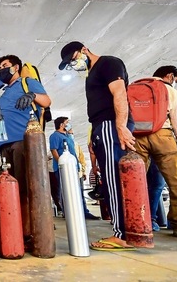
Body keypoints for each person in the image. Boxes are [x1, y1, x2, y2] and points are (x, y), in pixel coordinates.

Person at [59, 41, 135, 251]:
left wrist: (120, 126)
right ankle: (127, 230)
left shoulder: (108, 63)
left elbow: (119, 94)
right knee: (111, 179)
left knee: (113, 180)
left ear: (84, 50)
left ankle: (123, 235)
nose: (74, 64)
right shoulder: (93, 73)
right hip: (103, 127)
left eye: (73, 59)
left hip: (111, 125)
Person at [0, 54, 51, 240]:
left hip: (23, 141)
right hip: (4, 146)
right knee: (9, 187)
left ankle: (29, 231)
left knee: (24, 187)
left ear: (16, 67)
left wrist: (32, 95)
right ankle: (15, 228)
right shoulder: (2, 95)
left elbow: (46, 101)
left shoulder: (26, 82)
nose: (2, 70)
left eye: (5, 65)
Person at [133, 66, 177, 238]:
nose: (176, 84)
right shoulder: (171, 92)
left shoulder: (136, 88)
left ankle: (137, 221)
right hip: (163, 136)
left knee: (136, 183)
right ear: (170, 76)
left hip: (137, 138)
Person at [67, 126, 100, 220]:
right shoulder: (62, 142)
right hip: (69, 173)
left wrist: (83, 171)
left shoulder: (76, 144)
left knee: (80, 193)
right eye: (70, 132)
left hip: (79, 173)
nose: (72, 134)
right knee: (70, 194)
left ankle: (84, 212)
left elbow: (81, 158)